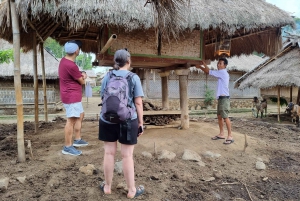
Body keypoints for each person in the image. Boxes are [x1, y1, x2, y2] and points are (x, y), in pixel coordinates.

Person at [98, 49, 145, 198]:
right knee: (127, 156)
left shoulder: (108, 76)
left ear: (115, 62)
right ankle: (132, 190)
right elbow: (138, 103)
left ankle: (107, 187)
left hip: (107, 119)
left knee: (109, 153)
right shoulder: (134, 77)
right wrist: (140, 123)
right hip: (128, 120)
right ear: (129, 61)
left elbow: (103, 97)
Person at [58, 40, 89, 156]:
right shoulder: (71, 65)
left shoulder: (64, 61)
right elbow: (82, 82)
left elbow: (75, 75)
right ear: (76, 51)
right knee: (71, 121)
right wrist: (84, 76)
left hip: (71, 95)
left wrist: (81, 74)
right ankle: (68, 146)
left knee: (80, 114)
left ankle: (77, 139)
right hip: (71, 96)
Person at [196, 58, 233, 145]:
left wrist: (200, 67)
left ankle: (230, 136)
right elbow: (210, 71)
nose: (218, 65)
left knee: (225, 117)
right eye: (218, 63)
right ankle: (221, 134)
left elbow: (208, 72)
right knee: (220, 116)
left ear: (225, 65)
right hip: (221, 98)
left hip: (224, 99)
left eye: (220, 63)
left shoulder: (223, 72)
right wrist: (204, 64)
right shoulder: (221, 73)